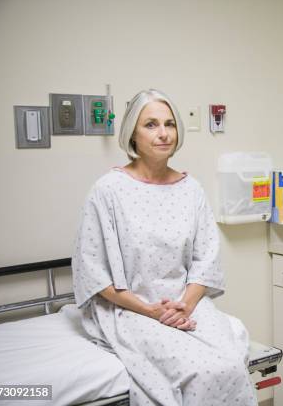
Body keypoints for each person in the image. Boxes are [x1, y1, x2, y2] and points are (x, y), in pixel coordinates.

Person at [72, 89, 257, 406]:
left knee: (231, 362)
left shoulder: (191, 189)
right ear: (132, 133)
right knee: (200, 369)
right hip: (129, 307)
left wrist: (184, 304)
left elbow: (206, 260)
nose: (163, 134)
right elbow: (93, 271)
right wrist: (151, 310)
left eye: (169, 124)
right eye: (151, 125)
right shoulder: (108, 191)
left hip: (186, 302)